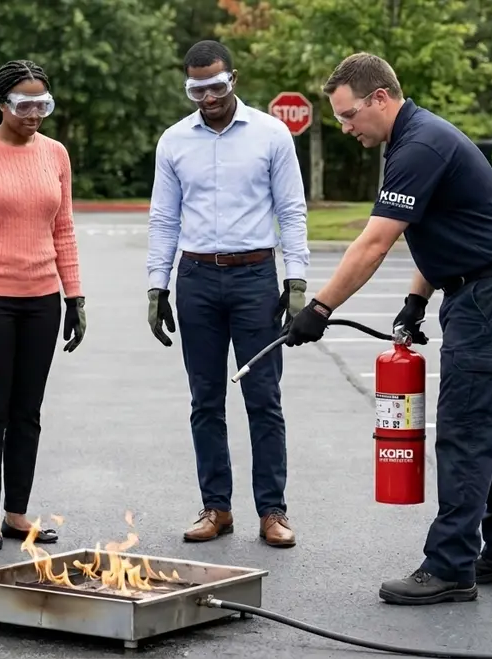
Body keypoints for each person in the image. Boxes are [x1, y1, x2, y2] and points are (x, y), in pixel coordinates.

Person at [283, 52, 492, 604]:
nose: (346, 127)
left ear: (380, 98)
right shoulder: (414, 140)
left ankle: (450, 566)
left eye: (349, 115)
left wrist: (320, 309)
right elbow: (439, 227)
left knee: (466, 431)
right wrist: (415, 299)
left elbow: (375, 241)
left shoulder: (419, 145)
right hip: (484, 288)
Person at [147, 40, 310, 548]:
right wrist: (158, 285)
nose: (209, 96)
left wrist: (296, 281)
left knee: (264, 398)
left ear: (232, 79)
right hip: (196, 279)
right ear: (188, 87)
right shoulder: (174, 142)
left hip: (254, 277)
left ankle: (273, 510)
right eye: (198, 88)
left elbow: (292, 210)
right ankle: (217, 507)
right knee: (205, 400)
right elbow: (164, 218)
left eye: (217, 85)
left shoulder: (271, 134)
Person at [0, 59, 86, 553]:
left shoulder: (56, 154)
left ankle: (16, 513)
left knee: (28, 411)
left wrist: (75, 296)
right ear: (2, 104)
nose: (34, 114)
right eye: (24, 105)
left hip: (41, 299)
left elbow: (62, 229)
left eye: (42, 104)